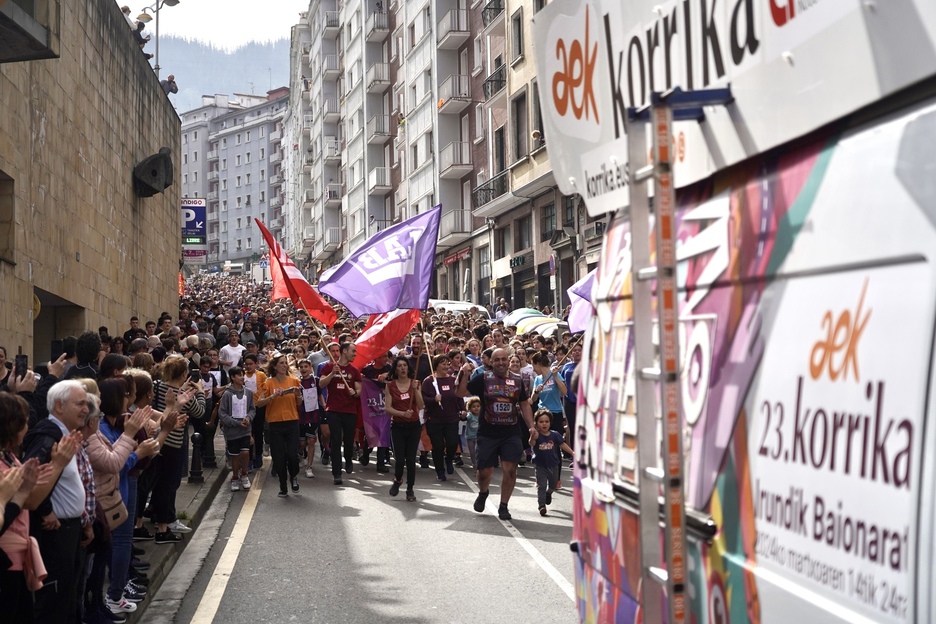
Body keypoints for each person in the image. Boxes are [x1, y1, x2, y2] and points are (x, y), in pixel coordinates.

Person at [21, 381, 87, 624]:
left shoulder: (64, 435)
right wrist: (45, 510)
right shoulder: (49, 436)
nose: (85, 409)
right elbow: (30, 476)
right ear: (59, 406)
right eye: (79, 403)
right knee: (53, 603)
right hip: (54, 537)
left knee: (67, 600)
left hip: (69, 532)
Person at [456, 348, 534, 521]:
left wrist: (531, 426)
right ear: (491, 362)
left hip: (511, 432)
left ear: (508, 361)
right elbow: (461, 393)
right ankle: (483, 492)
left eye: (503, 359)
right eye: (496, 360)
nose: (500, 363)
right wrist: (464, 374)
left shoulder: (518, 380)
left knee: (510, 470)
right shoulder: (483, 378)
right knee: (484, 471)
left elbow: (524, 404)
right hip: (488, 432)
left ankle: (504, 506)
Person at [0, 393, 44, 623]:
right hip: (6, 559)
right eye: (24, 422)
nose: (27, 427)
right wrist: (16, 496)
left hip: (18, 556)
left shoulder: (9, 456)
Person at [255, 355, 302, 497]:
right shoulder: (269, 383)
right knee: (279, 458)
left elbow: (298, 403)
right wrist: (272, 397)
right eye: (281, 363)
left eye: (285, 363)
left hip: (292, 422)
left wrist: (298, 394)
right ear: (274, 366)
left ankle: (293, 476)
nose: (284, 365)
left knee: (293, 455)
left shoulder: (294, 381)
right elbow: (259, 403)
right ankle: (283, 484)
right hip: (275, 424)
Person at [318, 343, 362, 486]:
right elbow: (321, 384)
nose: (355, 354)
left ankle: (348, 458)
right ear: (344, 351)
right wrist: (332, 374)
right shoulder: (329, 367)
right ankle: (337, 472)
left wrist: (355, 393)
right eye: (353, 351)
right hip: (333, 410)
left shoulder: (354, 371)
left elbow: (359, 390)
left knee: (348, 440)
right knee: (336, 440)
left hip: (349, 411)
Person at [384, 357, 423, 502]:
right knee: (400, 459)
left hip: (413, 426)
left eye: (404, 365)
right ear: (395, 369)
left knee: (411, 459)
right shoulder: (390, 386)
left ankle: (410, 489)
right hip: (398, 427)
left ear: (408, 368)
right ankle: (398, 479)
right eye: (399, 366)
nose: (402, 368)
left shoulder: (416, 383)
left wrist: (416, 390)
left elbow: (421, 405)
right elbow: (387, 408)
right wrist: (402, 414)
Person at [421, 354, 461, 482]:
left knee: (452, 443)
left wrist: (463, 409)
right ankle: (440, 470)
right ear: (436, 365)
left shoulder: (453, 380)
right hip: (434, 420)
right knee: (437, 446)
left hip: (451, 419)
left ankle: (449, 459)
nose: (446, 366)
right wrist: (433, 399)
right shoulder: (429, 381)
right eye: (442, 363)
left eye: (447, 363)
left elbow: (458, 396)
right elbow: (423, 399)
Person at [218, 367, 255, 492]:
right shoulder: (227, 394)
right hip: (233, 431)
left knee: (245, 452)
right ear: (232, 377)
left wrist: (248, 419)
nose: (242, 377)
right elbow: (222, 413)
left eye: (242, 375)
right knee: (235, 456)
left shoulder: (248, 392)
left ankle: (244, 474)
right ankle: (235, 477)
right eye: (239, 375)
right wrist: (236, 423)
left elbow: (252, 409)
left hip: (245, 430)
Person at [529, 410, 573, 516]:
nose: (544, 424)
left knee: (553, 485)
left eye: (546, 421)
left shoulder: (554, 435)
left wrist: (572, 453)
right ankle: (542, 506)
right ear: (536, 423)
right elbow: (531, 443)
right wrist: (532, 437)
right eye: (541, 421)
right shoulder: (536, 435)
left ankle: (549, 493)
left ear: (550, 423)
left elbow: (562, 445)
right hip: (540, 466)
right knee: (542, 486)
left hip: (553, 465)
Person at [296, 359, 320, 478]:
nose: (303, 369)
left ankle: (309, 466)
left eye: (306, 366)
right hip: (300, 416)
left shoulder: (316, 381)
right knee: (302, 442)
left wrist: (324, 405)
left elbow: (320, 395)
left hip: (313, 415)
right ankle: (301, 453)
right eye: (301, 367)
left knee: (311, 441)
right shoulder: (296, 382)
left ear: (310, 368)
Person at [464, 397, 481, 468]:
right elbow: (465, 418)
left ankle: (479, 464)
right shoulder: (470, 415)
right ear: (470, 408)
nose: (476, 408)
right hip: (470, 437)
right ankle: (474, 463)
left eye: (478, 406)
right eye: (473, 407)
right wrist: (463, 416)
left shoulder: (481, 415)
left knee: (479, 451)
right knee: (472, 452)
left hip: (479, 437)